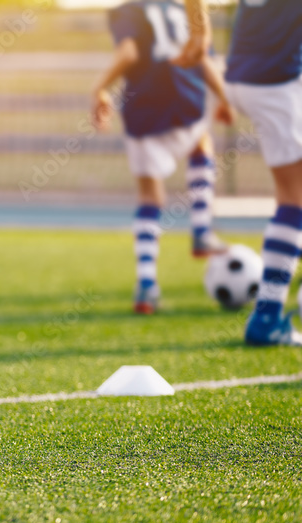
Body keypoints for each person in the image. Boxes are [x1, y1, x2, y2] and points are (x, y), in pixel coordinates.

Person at [92, 0, 234, 315]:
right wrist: (225, 98)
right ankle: (201, 230)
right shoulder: (184, 8)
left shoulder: (128, 11)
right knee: (201, 143)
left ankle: (146, 284)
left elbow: (129, 53)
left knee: (149, 198)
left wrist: (99, 88)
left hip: (144, 111)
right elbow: (203, 58)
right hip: (185, 101)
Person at [180, 0, 302, 346]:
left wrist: (200, 30)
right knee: (294, 199)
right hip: (277, 80)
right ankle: (267, 317)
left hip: (245, 73)